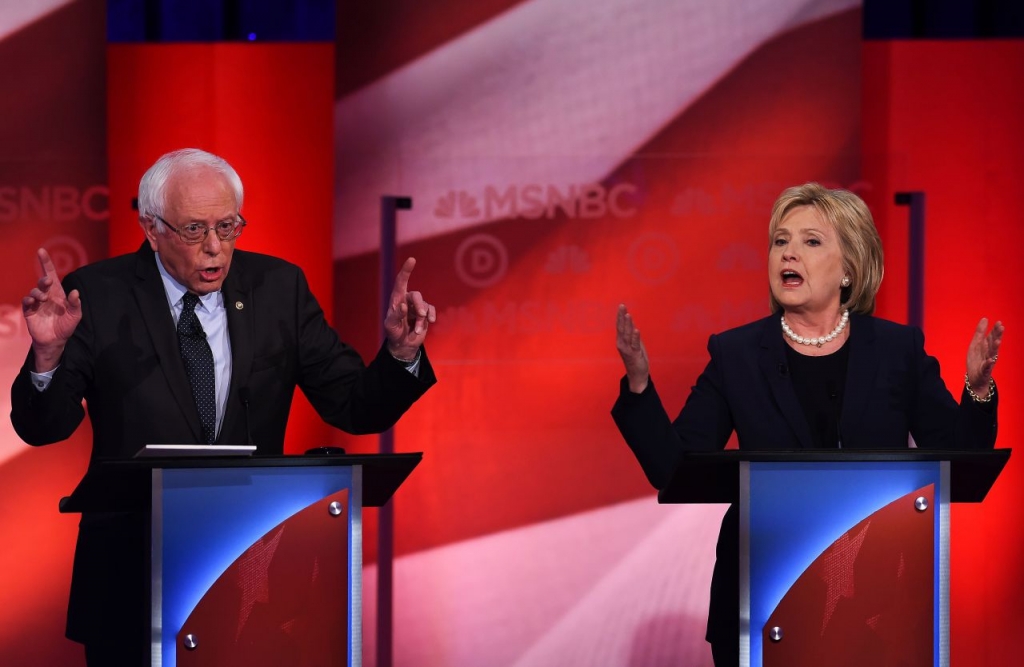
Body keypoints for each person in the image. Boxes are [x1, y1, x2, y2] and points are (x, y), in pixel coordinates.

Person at [10, 148, 437, 665]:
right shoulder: (97, 295)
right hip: (132, 579)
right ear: (151, 227)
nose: (215, 247)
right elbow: (44, 427)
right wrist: (48, 355)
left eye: (228, 226)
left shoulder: (279, 288)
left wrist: (401, 354)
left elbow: (354, 407)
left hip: (254, 576)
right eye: (194, 230)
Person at [611, 182, 1002, 666]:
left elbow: (958, 455)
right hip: (761, 599)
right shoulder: (736, 354)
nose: (788, 253)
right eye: (780, 241)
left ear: (849, 269)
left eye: (811, 241)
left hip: (879, 605)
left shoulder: (897, 350)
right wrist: (640, 387)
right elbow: (674, 467)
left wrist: (978, 388)